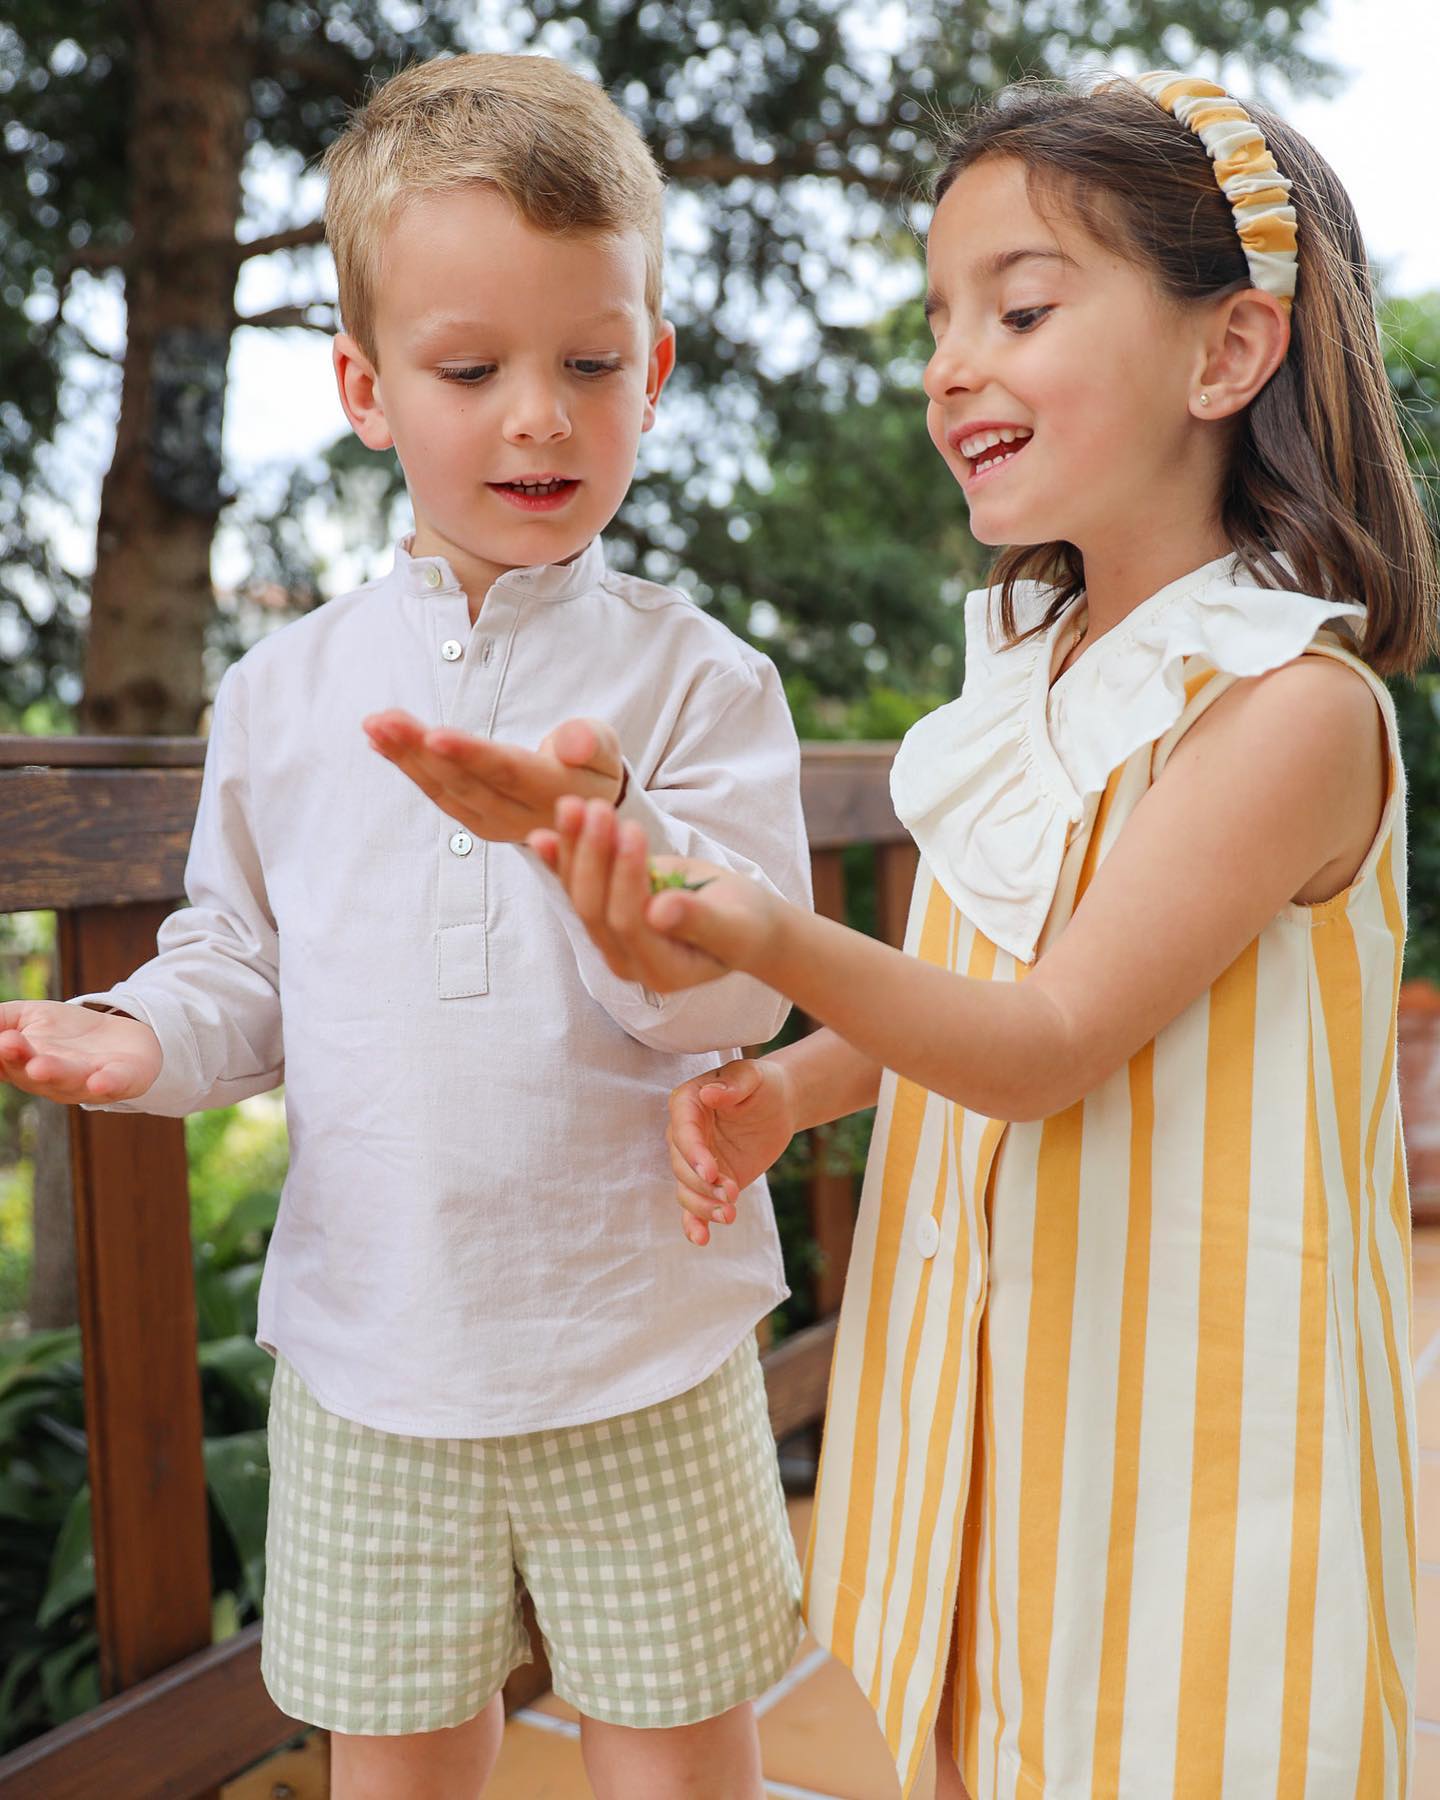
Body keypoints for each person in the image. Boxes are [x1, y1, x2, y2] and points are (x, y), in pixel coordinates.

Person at [530, 71, 1436, 1799]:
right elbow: (979, 975)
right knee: (981, 1730)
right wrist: (795, 1091)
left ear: (1226, 353)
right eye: (942, 315)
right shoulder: (1030, 683)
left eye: (1019, 307)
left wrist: (751, 925)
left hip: (1192, 1456)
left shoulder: (1289, 713)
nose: (952, 362)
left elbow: (1042, 1044)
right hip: (1005, 1408)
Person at [0, 53, 812, 1800]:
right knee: (398, 1775)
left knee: (681, 1775)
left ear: (654, 369)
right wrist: (143, 1037)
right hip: (373, 1360)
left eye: (592, 364)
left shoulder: (697, 681)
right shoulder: (284, 697)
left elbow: (734, 995)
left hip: (640, 1347)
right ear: (366, 386)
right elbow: (241, 964)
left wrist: (626, 875)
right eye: (473, 369)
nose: (540, 415)